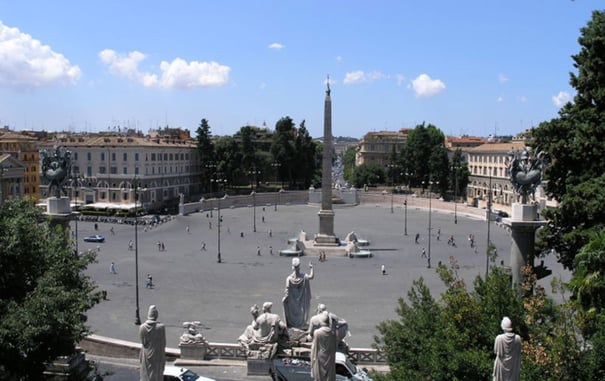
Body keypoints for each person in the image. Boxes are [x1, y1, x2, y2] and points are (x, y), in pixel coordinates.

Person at [282, 258, 314, 329]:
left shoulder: (289, 279)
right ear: (299, 267)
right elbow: (311, 276)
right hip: (302, 300)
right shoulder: (304, 277)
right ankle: (300, 324)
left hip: (292, 301)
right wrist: (311, 268)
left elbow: (287, 291)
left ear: (292, 268)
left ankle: (293, 324)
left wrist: (285, 299)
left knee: (293, 312)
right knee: (301, 311)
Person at [139, 305, 166, 381]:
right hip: (157, 352)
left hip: (146, 352)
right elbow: (163, 343)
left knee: (146, 373)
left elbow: (143, 342)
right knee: (156, 373)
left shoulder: (142, 327)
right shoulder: (161, 327)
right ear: (156, 315)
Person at [493, 316, 521, 381]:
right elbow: (518, 354)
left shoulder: (499, 338)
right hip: (513, 368)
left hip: (501, 368)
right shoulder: (517, 338)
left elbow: (496, 352)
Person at [311, 311, 337, 381]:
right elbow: (335, 347)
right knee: (330, 375)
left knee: (319, 376)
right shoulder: (332, 333)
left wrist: (312, 359)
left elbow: (314, 347)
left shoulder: (317, 332)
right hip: (329, 356)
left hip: (320, 356)